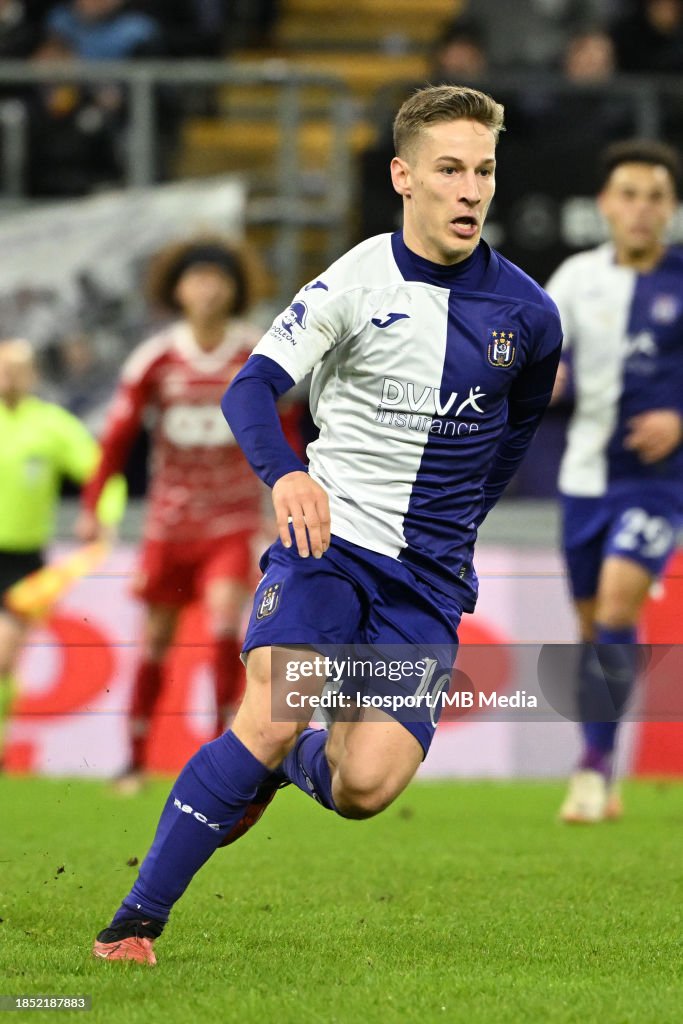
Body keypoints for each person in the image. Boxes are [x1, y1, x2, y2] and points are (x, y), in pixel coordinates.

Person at [91, 84, 563, 965]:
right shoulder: (352, 282)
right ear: (403, 176)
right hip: (328, 547)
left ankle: (282, 766)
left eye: (484, 172)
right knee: (270, 713)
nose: (470, 190)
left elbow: (515, 435)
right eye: (450, 170)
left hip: (425, 580)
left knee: (365, 787)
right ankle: (133, 923)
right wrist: (287, 476)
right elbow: (249, 387)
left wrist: (460, 527)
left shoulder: (528, 316)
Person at [80, 237, 265, 796]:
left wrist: (285, 492)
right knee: (155, 642)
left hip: (230, 522)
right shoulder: (156, 357)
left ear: (234, 289)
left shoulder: (254, 354)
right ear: (177, 290)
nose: (207, 289)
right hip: (169, 524)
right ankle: (133, 763)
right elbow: (116, 438)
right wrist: (92, 505)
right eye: (196, 279)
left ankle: (219, 765)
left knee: (223, 627)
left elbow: (280, 430)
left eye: (218, 279)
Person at [546, 139, 683, 823]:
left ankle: (593, 770)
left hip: (657, 483)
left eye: (653, 196)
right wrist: (547, 376)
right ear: (604, 204)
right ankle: (600, 756)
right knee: (591, 628)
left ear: (671, 208)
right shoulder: (574, 277)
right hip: (582, 477)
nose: (639, 209)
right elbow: (539, 354)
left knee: (617, 608)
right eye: (627, 194)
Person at [0, 338, 124, 767]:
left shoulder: (51, 426)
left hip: (22, 562)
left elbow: (101, 472)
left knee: (3, 654)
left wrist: (101, 516)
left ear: (31, 375)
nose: (8, 376)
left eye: (16, 368)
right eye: (2, 367)